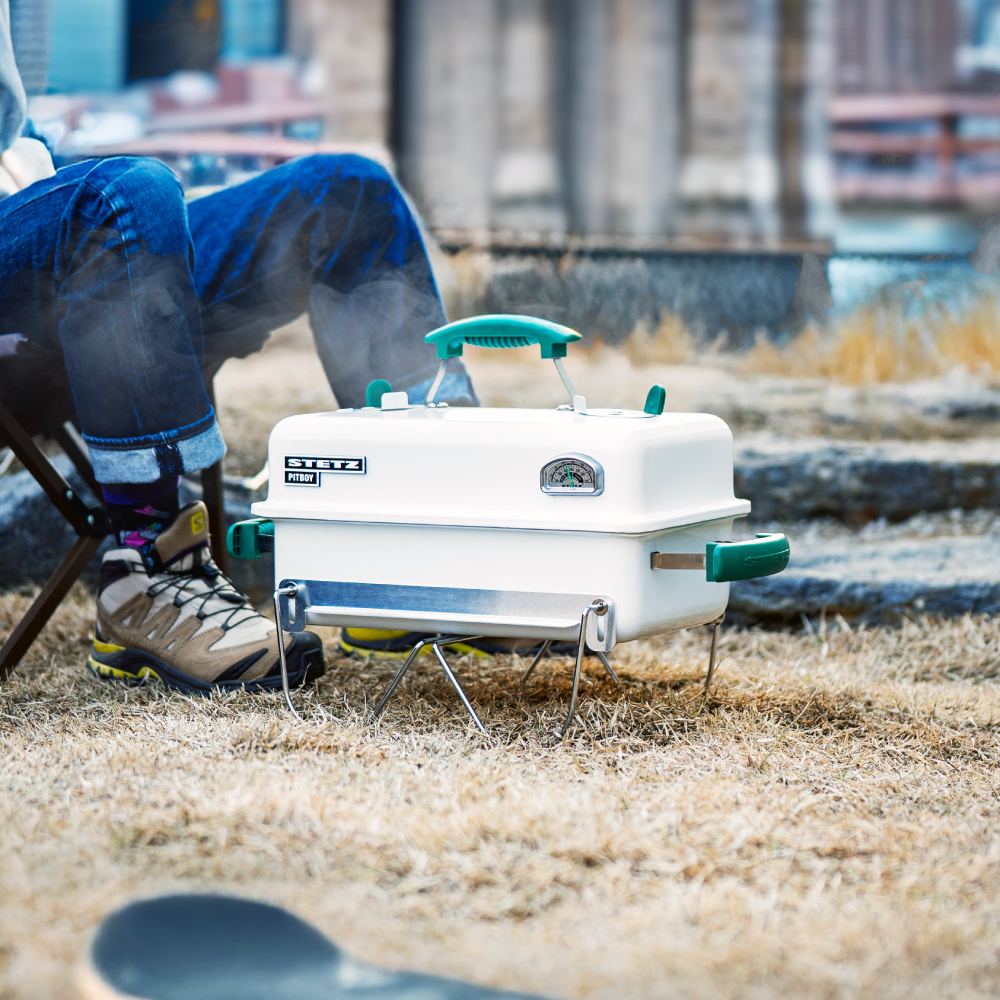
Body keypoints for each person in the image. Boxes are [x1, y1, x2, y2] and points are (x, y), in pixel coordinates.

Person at [0, 0, 480, 694]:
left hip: (52, 230)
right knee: (127, 197)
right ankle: (150, 576)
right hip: (38, 287)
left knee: (347, 192)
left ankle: (447, 541)